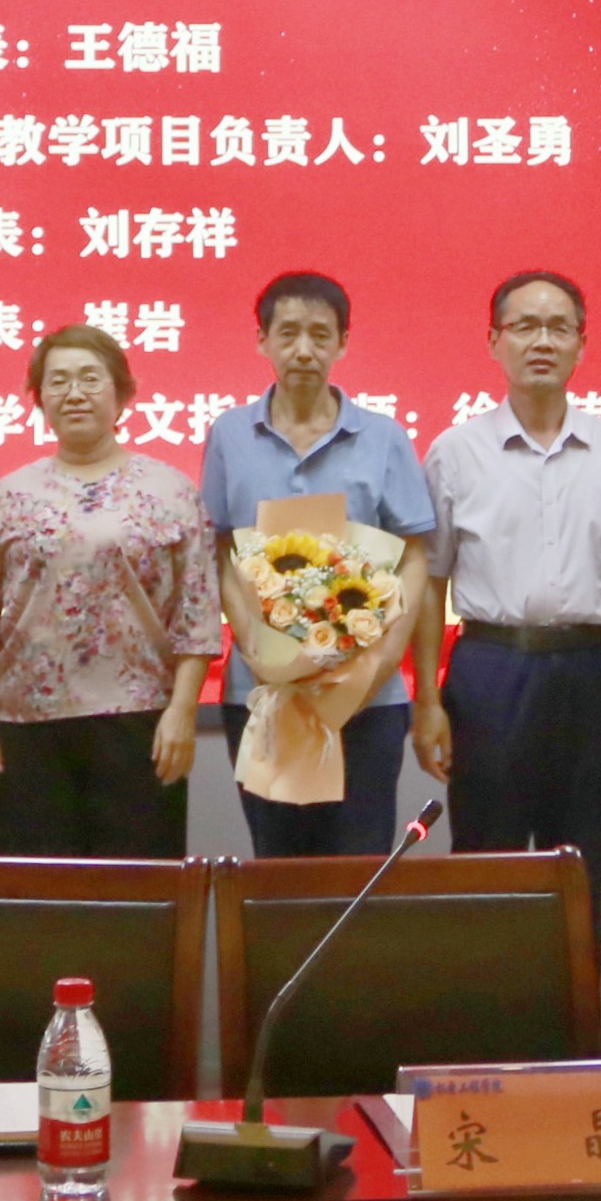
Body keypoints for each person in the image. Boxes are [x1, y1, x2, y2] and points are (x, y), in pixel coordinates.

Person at [413, 271, 601, 906]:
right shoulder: (455, 452)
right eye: (525, 327)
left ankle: (579, 979)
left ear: (582, 344)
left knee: (580, 873)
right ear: (494, 341)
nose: (543, 342)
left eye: (559, 328)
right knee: (486, 872)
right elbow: (429, 581)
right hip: (490, 670)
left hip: (593, 671)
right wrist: (427, 699)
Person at [0, 325, 223, 858]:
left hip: (140, 719)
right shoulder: (7, 497)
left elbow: (197, 618)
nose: (74, 393)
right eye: (58, 382)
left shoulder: (170, 491)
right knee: (38, 892)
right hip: (26, 723)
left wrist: (182, 712)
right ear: (40, 399)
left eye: (89, 379)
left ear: (122, 394)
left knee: (139, 890)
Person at [197, 271, 436, 857]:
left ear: (343, 343)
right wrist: (255, 648)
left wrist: (381, 663)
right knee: (277, 866)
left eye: (320, 335)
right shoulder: (229, 435)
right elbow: (222, 549)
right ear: (262, 340)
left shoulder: (383, 437)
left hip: (368, 700)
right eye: (288, 333)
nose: (304, 350)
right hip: (262, 696)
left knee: (358, 866)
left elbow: (414, 556)